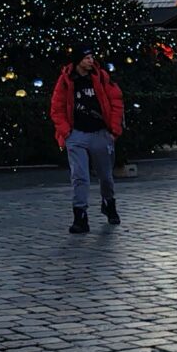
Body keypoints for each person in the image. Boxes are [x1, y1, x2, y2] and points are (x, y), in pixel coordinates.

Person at [49, 47, 123, 233]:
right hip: (77, 135)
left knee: (105, 176)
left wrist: (113, 130)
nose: (91, 61)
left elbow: (116, 101)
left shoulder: (101, 77)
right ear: (78, 60)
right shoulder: (66, 80)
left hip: (100, 132)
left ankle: (109, 202)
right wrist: (67, 133)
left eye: (92, 57)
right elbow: (56, 107)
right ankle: (80, 216)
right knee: (80, 176)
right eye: (87, 57)